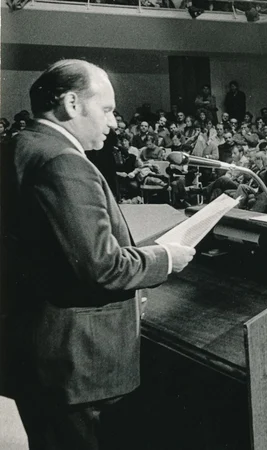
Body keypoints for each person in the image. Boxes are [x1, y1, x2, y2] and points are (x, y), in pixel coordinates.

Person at [0, 60, 196, 450]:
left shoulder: (18, 146)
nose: (114, 122)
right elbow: (101, 265)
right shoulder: (63, 162)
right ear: (72, 104)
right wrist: (165, 258)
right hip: (77, 363)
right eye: (106, 109)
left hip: (35, 347)